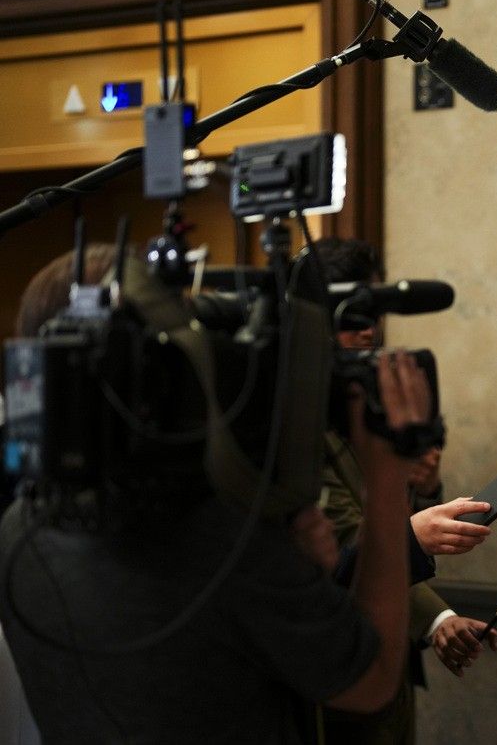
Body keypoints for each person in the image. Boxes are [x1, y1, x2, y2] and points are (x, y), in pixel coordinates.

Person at [0, 245, 433, 743]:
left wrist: (296, 572)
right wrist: (386, 477)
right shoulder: (219, 540)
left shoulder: (18, 528)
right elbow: (371, 682)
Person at [314, 237, 497, 744]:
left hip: (389, 659)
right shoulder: (295, 425)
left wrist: (420, 485)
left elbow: (385, 520)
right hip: (330, 677)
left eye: (372, 311)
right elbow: (339, 553)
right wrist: (412, 537)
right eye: (351, 316)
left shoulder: (363, 402)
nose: (368, 329)